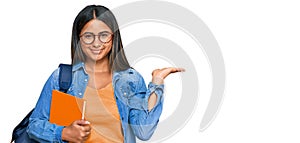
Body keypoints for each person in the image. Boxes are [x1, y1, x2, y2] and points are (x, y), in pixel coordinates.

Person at [27, 5, 184, 143]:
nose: (96, 43)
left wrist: (157, 83)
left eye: (104, 35)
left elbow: (144, 132)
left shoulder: (130, 79)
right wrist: (64, 133)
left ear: (113, 37)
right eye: (88, 36)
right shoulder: (62, 78)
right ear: (78, 39)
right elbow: (34, 124)